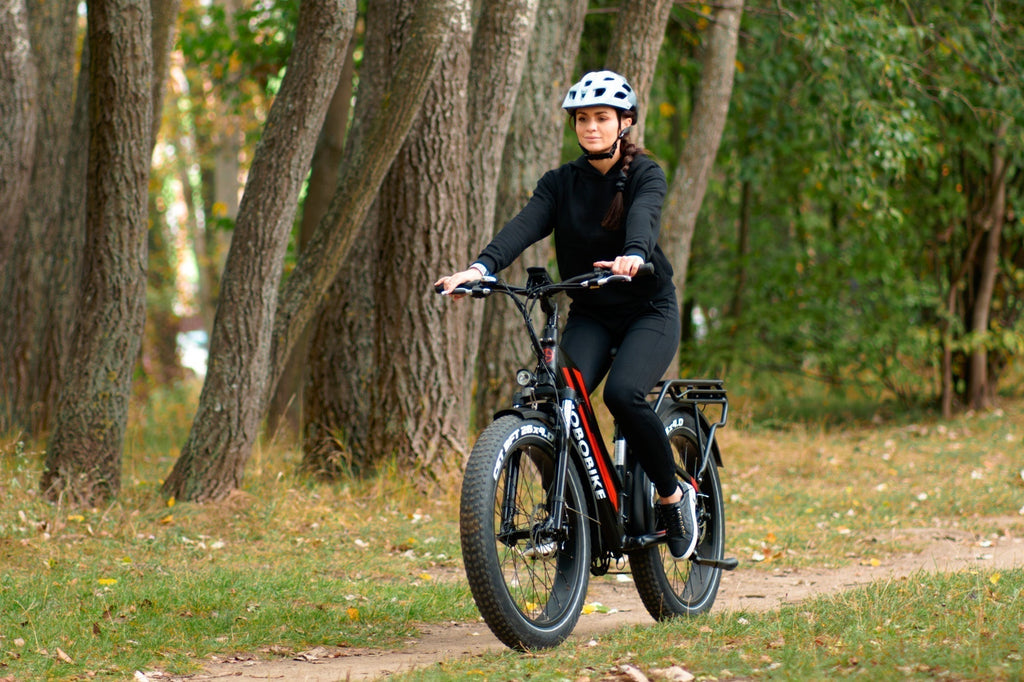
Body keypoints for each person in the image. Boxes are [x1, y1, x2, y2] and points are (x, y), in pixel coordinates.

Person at [435, 71, 697, 559]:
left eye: (602, 117)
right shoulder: (560, 184)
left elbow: (644, 215)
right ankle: (571, 518)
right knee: (555, 396)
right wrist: (479, 268)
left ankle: (671, 495)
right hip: (592, 312)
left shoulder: (644, 173)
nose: (591, 127)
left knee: (622, 394)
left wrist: (634, 255)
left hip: (648, 310)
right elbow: (525, 226)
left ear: (625, 123)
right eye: (582, 119)